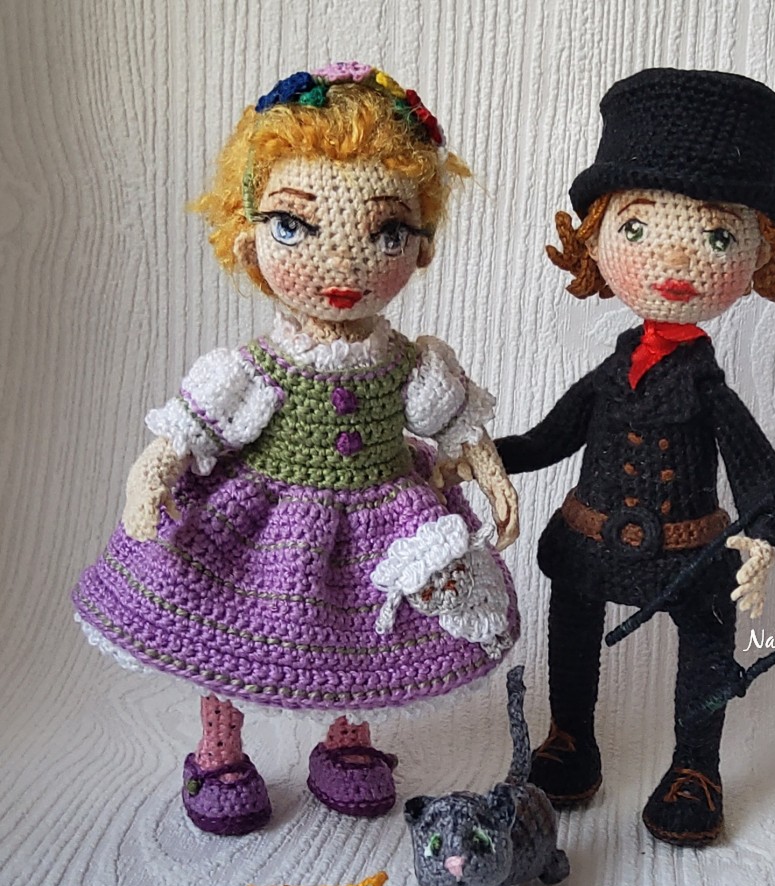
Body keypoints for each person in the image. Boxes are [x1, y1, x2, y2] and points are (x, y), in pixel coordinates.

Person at [73, 63, 519, 834]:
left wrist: (489, 469)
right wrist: (153, 470)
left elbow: (450, 420)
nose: (343, 263)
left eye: (385, 232)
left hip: (382, 518)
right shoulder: (254, 370)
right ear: (246, 237)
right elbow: (194, 426)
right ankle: (219, 750)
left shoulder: (409, 364)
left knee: (364, 631)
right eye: (294, 226)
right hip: (266, 519)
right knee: (224, 627)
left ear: (420, 247)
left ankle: (347, 743)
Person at [493, 68, 775, 847]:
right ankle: (571, 738)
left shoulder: (709, 389)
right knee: (571, 626)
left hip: (689, 547)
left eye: (716, 236)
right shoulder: (610, 374)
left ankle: (696, 765)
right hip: (590, 535)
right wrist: (485, 455)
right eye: (636, 228)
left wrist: (764, 540)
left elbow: (758, 469)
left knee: (706, 640)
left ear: (758, 255)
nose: (675, 259)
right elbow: (549, 437)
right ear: (596, 238)